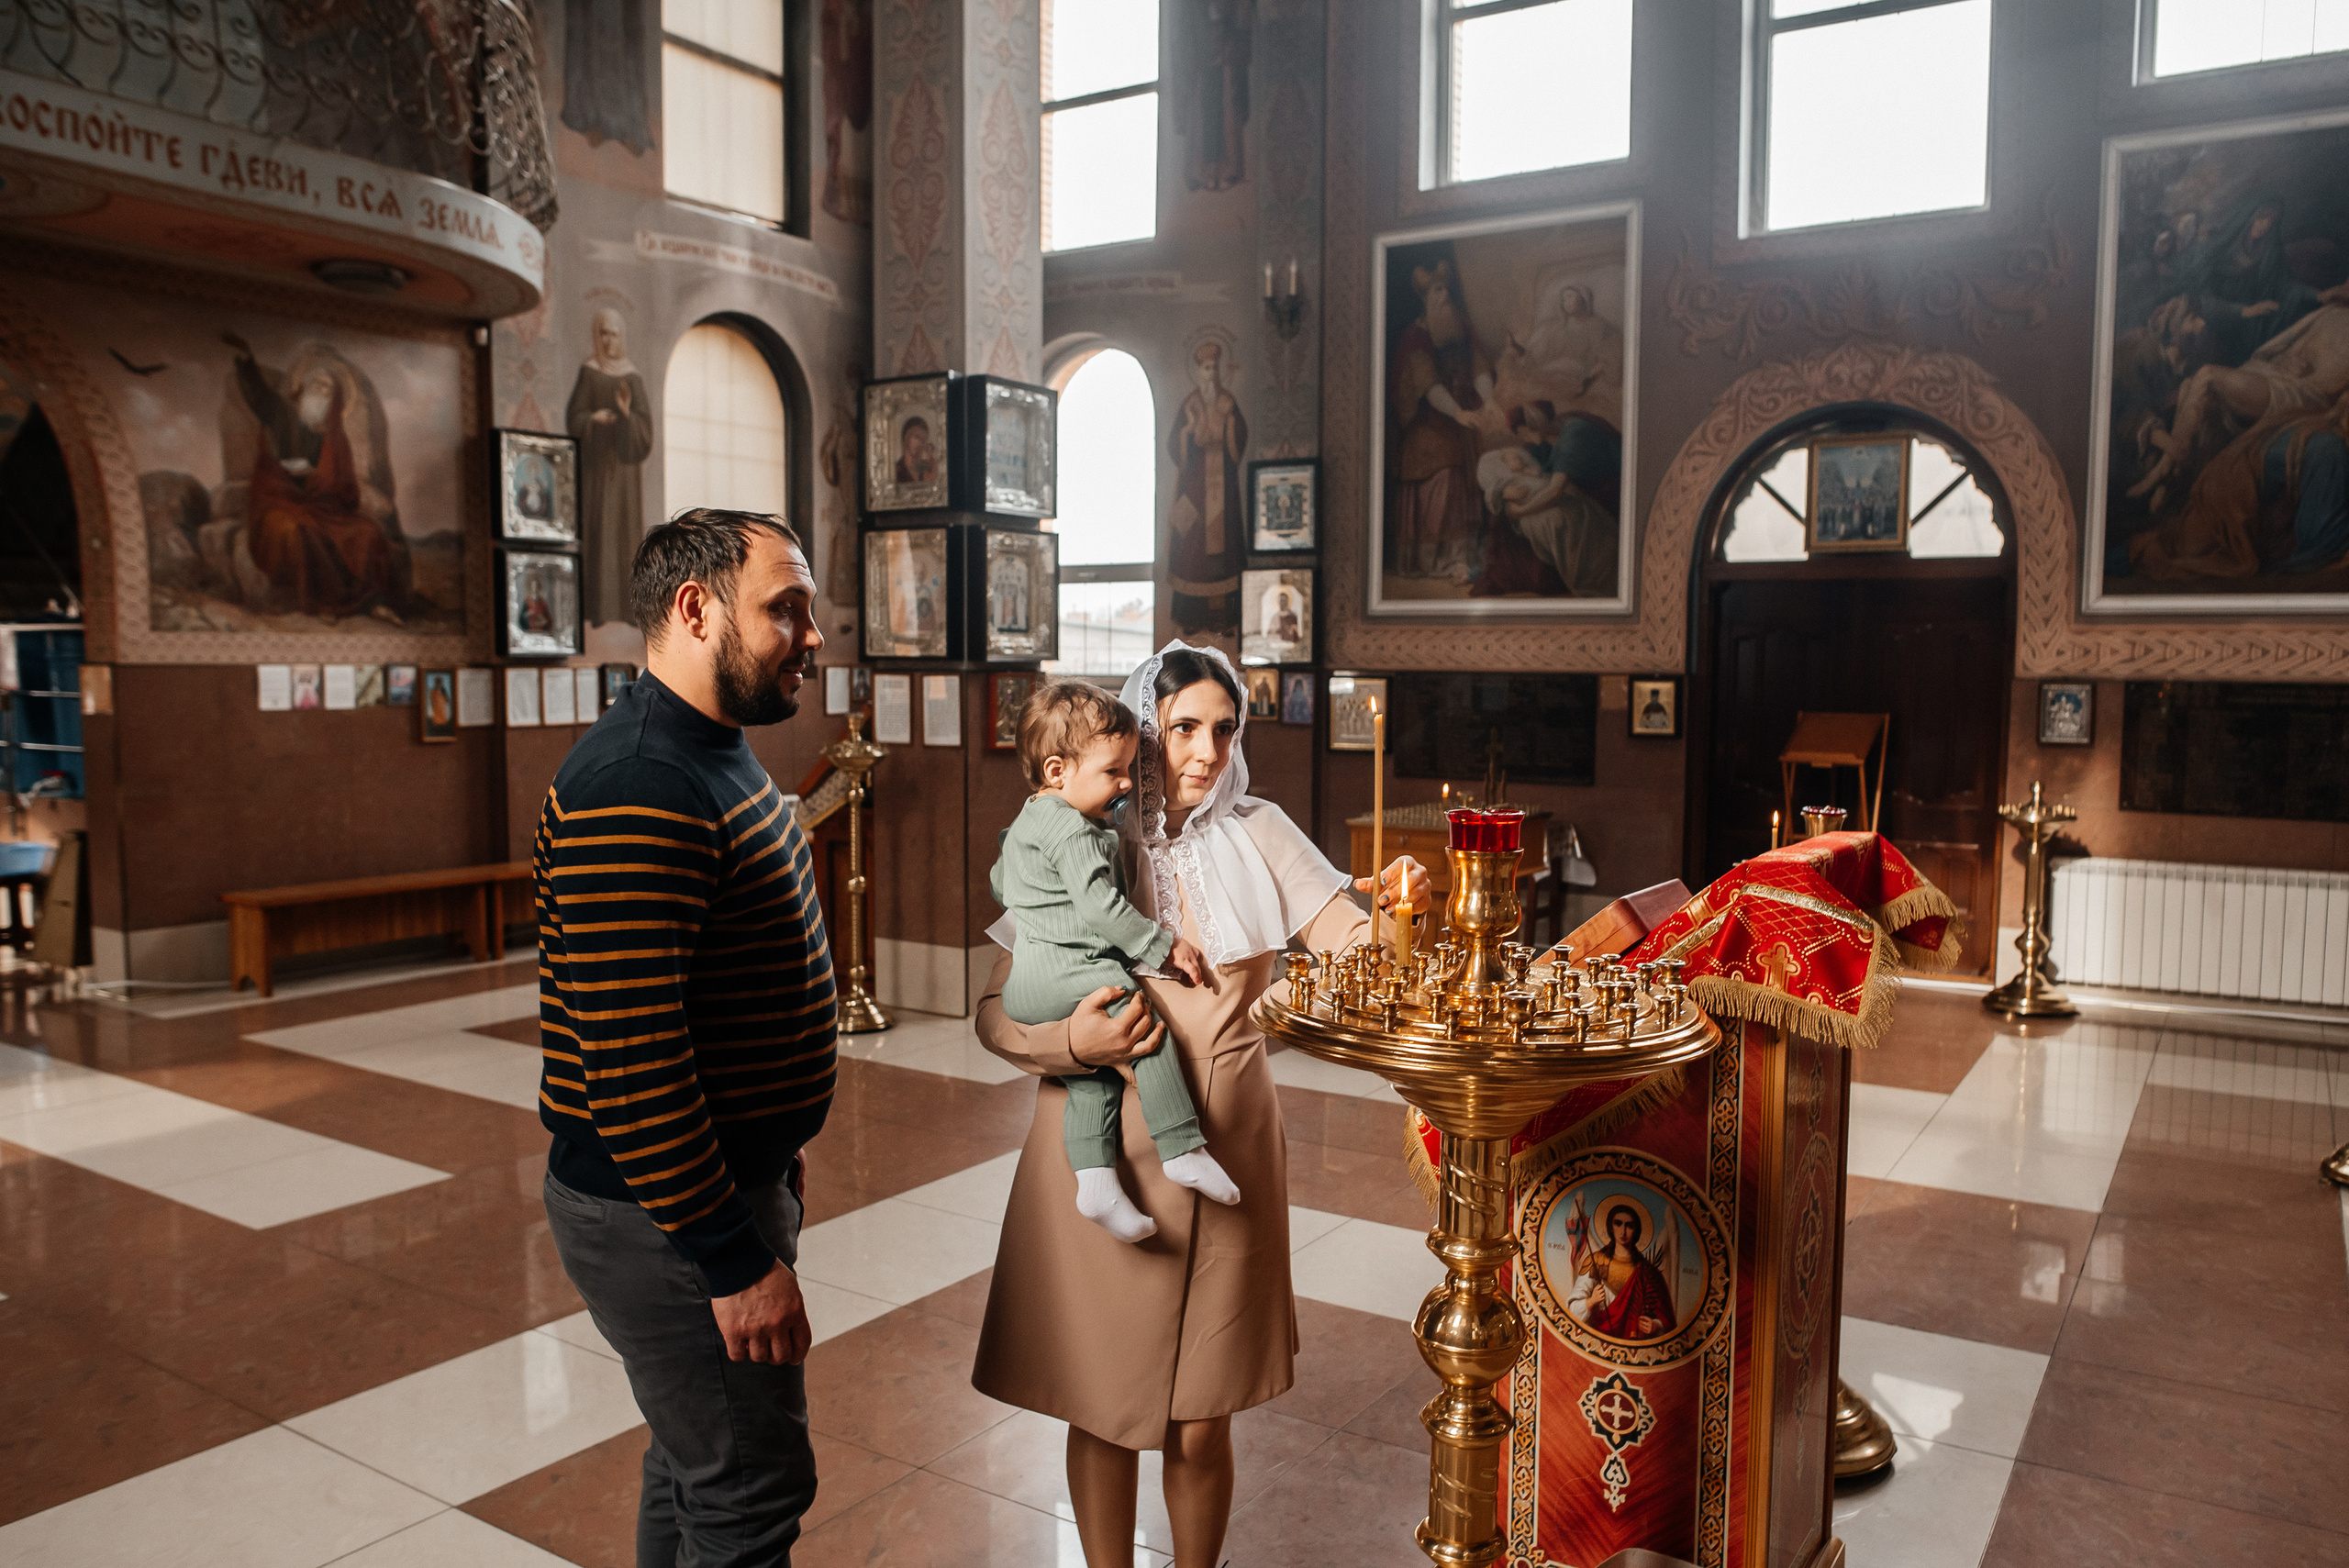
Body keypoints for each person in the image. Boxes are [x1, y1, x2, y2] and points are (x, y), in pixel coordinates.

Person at [972, 639, 1431, 1568]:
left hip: (1226, 1144)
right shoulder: (1078, 829)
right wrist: (1073, 1042)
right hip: (1100, 1141)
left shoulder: (1259, 829)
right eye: (1183, 727)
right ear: (1142, 729)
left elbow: (1362, 949)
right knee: (1098, 1402)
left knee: (1200, 1416)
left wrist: (1402, 907)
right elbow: (993, 1011)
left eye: (1225, 729)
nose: (1206, 751)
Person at [537, 508, 836, 1565]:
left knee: (694, 1463)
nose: (812, 635)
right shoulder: (641, 781)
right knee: (749, 1494)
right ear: (694, 607)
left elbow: (715, 988)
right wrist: (728, 1253)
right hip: (662, 1214)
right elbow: (632, 1064)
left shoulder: (711, 752)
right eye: (785, 608)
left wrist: (771, 1136)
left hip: (707, 1181)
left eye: (810, 609)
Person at [992, 681, 1231, 1244]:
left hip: (1028, 983)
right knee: (1144, 1030)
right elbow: (1103, 909)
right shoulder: (1073, 830)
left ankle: (1097, 1184)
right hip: (1073, 972)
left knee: (1091, 1078)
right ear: (1057, 771)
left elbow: (1002, 885)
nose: (1126, 783)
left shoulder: (1027, 822)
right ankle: (1182, 1146)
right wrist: (1161, 945)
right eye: (1113, 771)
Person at [222, 333, 401, 622]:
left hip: (324, 509)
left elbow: (347, 491)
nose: (320, 391)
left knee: (368, 532)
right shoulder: (283, 415)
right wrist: (245, 359)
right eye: (316, 384)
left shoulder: (336, 440)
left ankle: (374, 603)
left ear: (334, 400)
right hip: (277, 502)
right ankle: (324, 605)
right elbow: (258, 396)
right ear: (302, 387)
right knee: (301, 531)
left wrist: (327, 486)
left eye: (327, 389)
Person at [568, 310, 656, 624]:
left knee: (624, 536)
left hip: (624, 473)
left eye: (613, 334)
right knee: (598, 534)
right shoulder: (590, 373)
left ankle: (627, 609)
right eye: (602, 333)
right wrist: (592, 419)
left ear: (623, 337)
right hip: (596, 469)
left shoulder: (632, 377)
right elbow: (575, 417)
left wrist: (625, 416)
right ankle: (597, 610)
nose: (608, 341)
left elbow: (644, 430)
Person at [1166, 341, 1249, 632]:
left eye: (1214, 368)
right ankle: (1191, 618)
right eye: (1205, 368)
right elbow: (1175, 446)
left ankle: (1223, 617)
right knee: (1193, 546)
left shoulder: (1227, 401)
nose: (1210, 373)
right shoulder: (1190, 403)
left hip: (1221, 484)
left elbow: (1239, 438)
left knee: (1223, 547)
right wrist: (1189, 427)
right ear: (1198, 371)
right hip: (1195, 485)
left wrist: (1227, 422)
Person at [1570, 1203, 1676, 1340]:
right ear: (1611, 1227)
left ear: (1636, 1231)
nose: (1623, 1231)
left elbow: (1666, 1317)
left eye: (1629, 1226)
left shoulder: (1647, 1272)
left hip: (1634, 1346)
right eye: (1618, 1224)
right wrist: (1591, 1301)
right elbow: (1572, 1309)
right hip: (1598, 1341)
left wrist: (1655, 1325)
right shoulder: (1597, 1261)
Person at [896, 417, 938, 485]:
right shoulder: (897, 470)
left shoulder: (925, 469)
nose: (920, 443)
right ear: (906, 438)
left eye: (924, 440)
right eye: (917, 437)